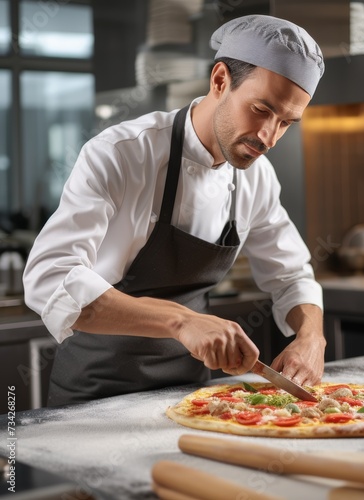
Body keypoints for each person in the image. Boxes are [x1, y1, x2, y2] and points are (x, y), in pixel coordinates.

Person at [23, 14, 326, 406]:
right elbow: (50, 278)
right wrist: (181, 321)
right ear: (220, 80)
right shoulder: (122, 154)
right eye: (261, 109)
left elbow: (291, 276)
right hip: (94, 397)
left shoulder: (257, 177)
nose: (269, 137)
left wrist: (310, 336)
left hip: (191, 397)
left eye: (286, 122)